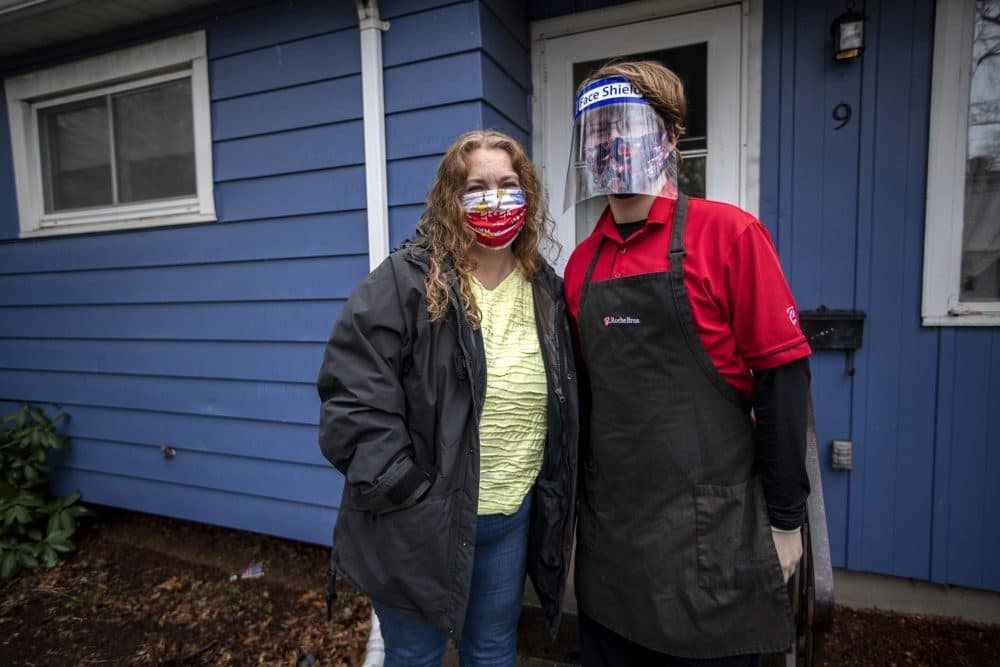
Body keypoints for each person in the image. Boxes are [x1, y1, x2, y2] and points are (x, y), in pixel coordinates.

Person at [563, 60, 812, 665]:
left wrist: (785, 521)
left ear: (672, 138)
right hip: (613, 546)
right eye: (597, 130)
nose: (612, 142)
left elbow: (782, 380)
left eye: (629, 126)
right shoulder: (580, 265)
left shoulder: (729, 235)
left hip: (713, 542)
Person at [317, 130, 579, 667]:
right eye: (477, 186)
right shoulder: (405, 282)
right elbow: (352, 397)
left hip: (509, 519)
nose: (495, 198)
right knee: (417, 656)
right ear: (449, 199)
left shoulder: (545, 289)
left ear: (527, 195)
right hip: (417, 522)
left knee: (491, 649)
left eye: (508, 185)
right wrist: (405, 487)